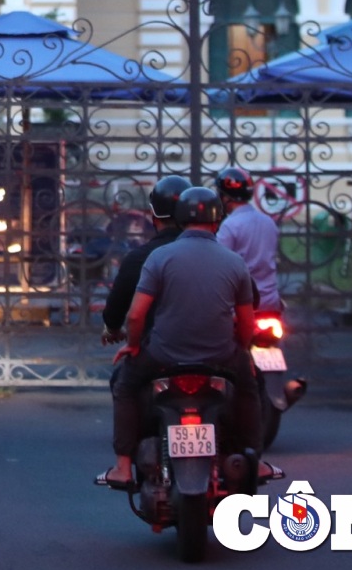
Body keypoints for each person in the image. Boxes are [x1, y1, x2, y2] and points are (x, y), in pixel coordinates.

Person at [103, 187, 260, 488]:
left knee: (125, 386)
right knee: (249, 388)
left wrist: (133, 345)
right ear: (218, 222)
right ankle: (258, 459)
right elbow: (247, 322)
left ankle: (123, 466)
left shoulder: (159, 257)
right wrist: (241, 352)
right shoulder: (234, 262)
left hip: (163, 354)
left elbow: (135, 315)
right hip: (220, 356)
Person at [100, 175, 191, 342]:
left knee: (125, 367)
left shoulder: (139, 258)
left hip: (157, 353)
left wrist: (114, 330)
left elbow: (118, 311)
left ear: (154, 217)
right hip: (214, 355)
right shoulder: (220, 255)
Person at [214, 166, 282, 317]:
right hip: (270, 302)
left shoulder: (230, 226)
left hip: (240, 307)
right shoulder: (268, 222)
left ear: (226, 197)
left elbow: (218, 265)